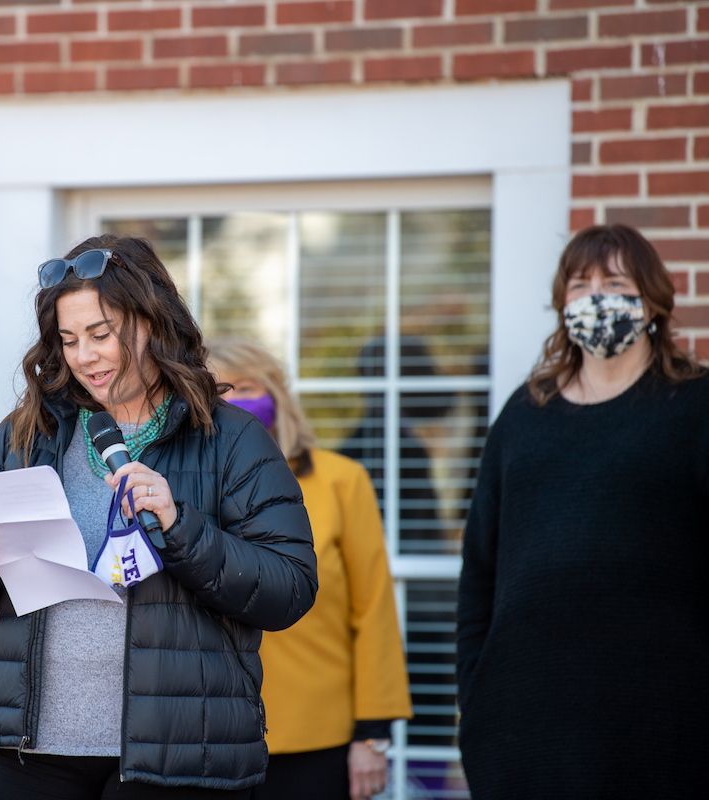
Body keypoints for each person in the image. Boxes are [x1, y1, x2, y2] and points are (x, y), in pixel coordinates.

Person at [0, 235, 318, 798]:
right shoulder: (27, 433)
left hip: (177, 755)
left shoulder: (232, 440)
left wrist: (182, 527)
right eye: (68, 340)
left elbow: (290, 588)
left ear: (152, 324)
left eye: (100, 335)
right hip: (31, 750)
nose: (83, 357)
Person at [456, 225, 709, 799]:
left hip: (667, 733)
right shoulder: (523, 415)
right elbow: (480, 574)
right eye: (580, 283)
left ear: (651, 302)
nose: (596, 297)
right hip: (524, 733)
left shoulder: (696, 408)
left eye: (615, 282)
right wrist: (479, 701)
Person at [206, 337, 412, 800]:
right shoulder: (180, 491)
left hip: (317, 737)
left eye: (247, 386)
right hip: (209, 735)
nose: (233, 401)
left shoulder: (343, 482)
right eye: (218, 391)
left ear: (278, 394)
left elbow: (374, 611)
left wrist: (372, 735)